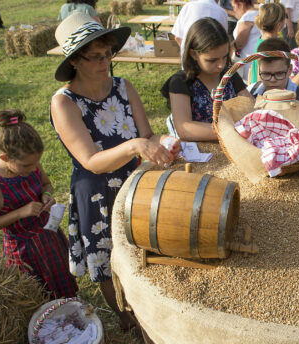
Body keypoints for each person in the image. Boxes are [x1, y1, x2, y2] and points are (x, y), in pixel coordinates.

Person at [50, 12, 180, 331]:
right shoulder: (64, 102)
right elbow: (90, 160)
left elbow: (147, 135)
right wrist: (136, 146)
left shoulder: (123, 86)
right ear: (75, 61)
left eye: (108, 53)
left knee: (140, 249)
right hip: (95, 190)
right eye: (95, 56)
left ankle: (144, 308)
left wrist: (164, 141)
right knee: (107, 260)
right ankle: (125, 318)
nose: (104, 61)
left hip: (132, 182)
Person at [0, 109, 78, 299]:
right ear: (5, 158)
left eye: (36, 163)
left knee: (63, 285)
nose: (33, 169)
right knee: (36, 296)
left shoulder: (31, 162)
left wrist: (46, 195)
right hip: (23, 251)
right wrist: (20, 213)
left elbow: (46, 184)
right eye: (26, 166)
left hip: (49, 238)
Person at [161, 18, 252, 141]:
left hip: (235, 146)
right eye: (212, 60)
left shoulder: (229, 76)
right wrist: (230, 131)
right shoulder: (181, 82)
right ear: (193, 54)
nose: (220, 65)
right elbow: (184, 128)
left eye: (225, 57)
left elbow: (251, 107)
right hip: (200, 153)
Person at [247, 38, 299, 105]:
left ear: (289, 70)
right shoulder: (250, 92)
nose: (272, 80)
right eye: (266, 74)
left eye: (279, 73)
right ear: (259, 70)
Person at [249, 2, 287, 84]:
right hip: (264, 92)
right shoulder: (269, 46)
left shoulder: (261, 40)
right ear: (279, 25)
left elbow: (251, 69)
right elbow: (261, 76)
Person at [231, 0, 259, 81]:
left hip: (249, 61)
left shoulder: (247, 17)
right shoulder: (257, 14)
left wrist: (227, 49)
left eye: (234, 7)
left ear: (241, 4)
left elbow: (239, 43)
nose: (234, 10)